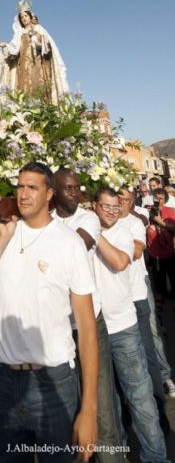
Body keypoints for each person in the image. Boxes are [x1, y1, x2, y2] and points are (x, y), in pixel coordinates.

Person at [0, 161, 98, 462]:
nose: (23, 194)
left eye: (32, 187)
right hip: (2, 379)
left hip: (53, 382)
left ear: (49, 194)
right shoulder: (3, 233)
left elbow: (87, 327)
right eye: (20, 186)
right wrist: (1, 238)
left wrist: (89, 408)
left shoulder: (69, 243)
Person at [93, 188, 169, 463]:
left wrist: (93, 232)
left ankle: (156, 457)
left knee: (140, 395)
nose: (114, 210)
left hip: (124, 326)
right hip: (94, 331)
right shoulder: (77, 233)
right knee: (107, 403)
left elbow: (123, 260)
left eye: (117, 205)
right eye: (107, 206)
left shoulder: (126, 229)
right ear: (94, 206)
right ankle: (118, 453)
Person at [53, 169, 123, 463]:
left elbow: (76, 249)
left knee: (101, 407)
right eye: (68, 188)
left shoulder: (88, 219)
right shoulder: (42, 222)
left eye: (77, 188)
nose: (75, 193)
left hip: (88, 324)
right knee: (66, 410)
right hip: (57, 327)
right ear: (53, 191)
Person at [117, 187, 169, 436]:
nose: (121, 203)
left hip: (138, 292)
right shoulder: (102, 222)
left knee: (150, 342)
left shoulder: (136, 220)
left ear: (133, 201)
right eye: (118, 199)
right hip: (116, 301)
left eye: (126, 199)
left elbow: (136, 252)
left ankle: (161, 396)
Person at [0, 0, 69, 103]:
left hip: (37, 64)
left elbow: (47, 45)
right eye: (21, 17)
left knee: (38, 86)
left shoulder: (38, 29)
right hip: (22, 65)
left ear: (30, 16)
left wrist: (36, 38)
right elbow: (14, 49)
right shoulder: (19, 33)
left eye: (25, 16)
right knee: (22, 88)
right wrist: (5, 45)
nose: (23, 19)